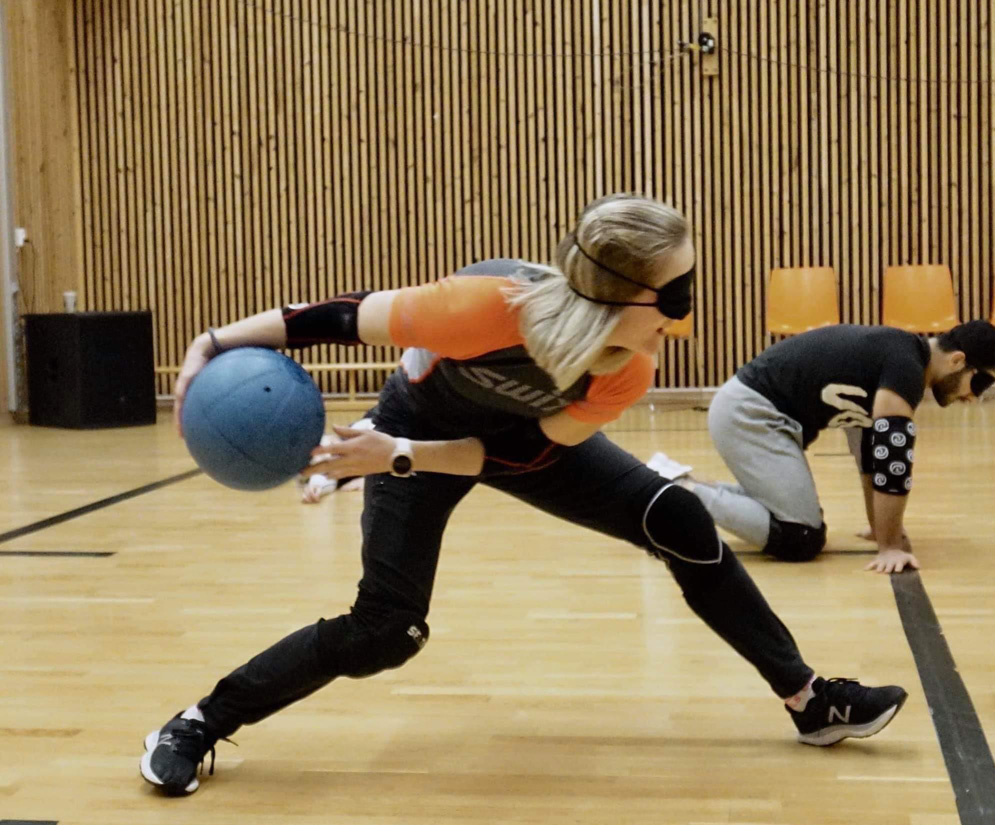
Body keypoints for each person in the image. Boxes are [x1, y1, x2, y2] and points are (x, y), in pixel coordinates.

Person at [140, 194, 907, 796]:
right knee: (387, 630)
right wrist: (210, 343)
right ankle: (201, 721)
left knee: (673, 514)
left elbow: (516, 455)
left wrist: (393, 459)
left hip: (498, 441)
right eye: (678, 292)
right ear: (625, 296)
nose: (687, 310)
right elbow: (329, 317)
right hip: (420, 418)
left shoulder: (623, 372)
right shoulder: (482, 305)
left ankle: (809, 700)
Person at [648, 321, 995, 572]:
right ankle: (674, 492)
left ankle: (675, 478)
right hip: (752, 415)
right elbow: (892, 465)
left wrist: (882, 531)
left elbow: (869, 457)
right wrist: (890, 548)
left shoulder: (901, 357)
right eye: (979, 384)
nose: (975, 398)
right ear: (958, 360)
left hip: (755, 414)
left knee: (788, 519)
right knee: (799, 537)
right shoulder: (906, 370)